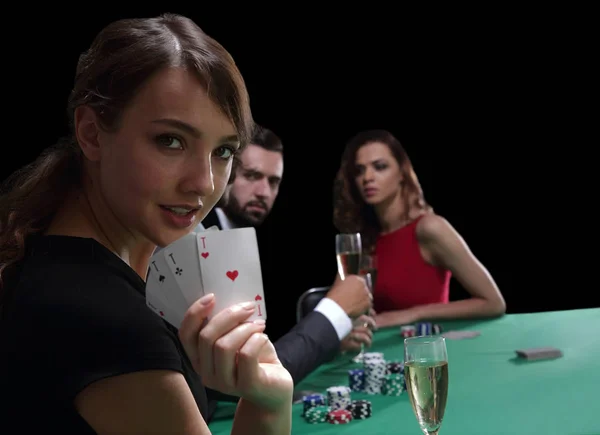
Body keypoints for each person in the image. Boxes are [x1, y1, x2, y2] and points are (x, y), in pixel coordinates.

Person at [0, 14, 293, 434]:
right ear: (92, 133)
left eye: (224, 151)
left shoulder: (59, 255)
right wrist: (271, 399)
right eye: (170, 141)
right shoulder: (104, 317)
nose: (204, 183)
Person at [196, 125, 374, 386]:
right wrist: (335, 310)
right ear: (226, 171)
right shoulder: (199, 237)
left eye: (273, 181)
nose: (263, 192)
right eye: (252, 175)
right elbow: (245, 375)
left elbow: (262, 353)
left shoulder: (242, 239)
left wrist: (331, 339)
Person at [333, 129, 506, 328]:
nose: (367, 177)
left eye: (380, 167)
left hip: (428, 350)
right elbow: (338, 308)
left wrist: (412, 314)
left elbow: (493, 303)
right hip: (377, 351)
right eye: (359, 171)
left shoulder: (429, 228)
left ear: (402, 173)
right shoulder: (364, 239)